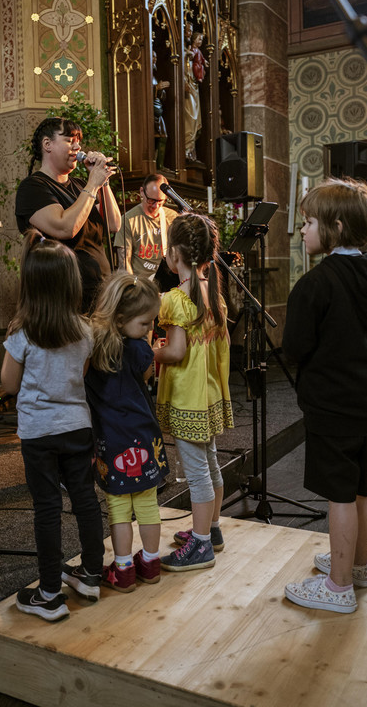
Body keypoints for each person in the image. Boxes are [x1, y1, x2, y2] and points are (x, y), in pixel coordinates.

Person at [282, 177, 367, 614]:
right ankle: (357, 565)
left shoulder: (317, 283)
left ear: (337, 226)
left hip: (330, 403)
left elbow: (295, 346)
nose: (303, 230)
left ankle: (338, 586)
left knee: (340, 494)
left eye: (309, 222)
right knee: (365, 486)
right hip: (366, 397)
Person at [1, 230, 105, 622]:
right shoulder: (85, 330)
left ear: (31, 284)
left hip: (39, 433)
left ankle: (48, 594)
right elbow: (81, 375)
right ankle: (91, 574)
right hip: (77, 427)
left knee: (47, 508)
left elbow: (9, 385)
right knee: (85, 499)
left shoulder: (22, 332)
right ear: (72, 283)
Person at [153, 213, 234, 571]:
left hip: (187, 397)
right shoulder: (212, 292)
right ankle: (211, 530)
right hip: (209, 393)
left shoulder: (175, 298)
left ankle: (200, 546)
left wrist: (151, 352)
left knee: (197, 472)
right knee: (211, 462)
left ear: (174, 254)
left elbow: (175, 352)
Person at [85, 271, 169, 592]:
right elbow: (145, 376)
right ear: (120, 319)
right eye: (145, 323)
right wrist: (148, 346)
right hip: (144, 437)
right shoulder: (138, 349)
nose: (149, 329)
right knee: (147, 503)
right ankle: (150, 563)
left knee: (118, 507)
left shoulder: (92, 347)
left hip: (111, 441)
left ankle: (123, 570)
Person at [15, 116, 121, 314]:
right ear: (47, 144)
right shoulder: (33, 187)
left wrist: (103, 182)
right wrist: (93, 184)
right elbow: (65, 228)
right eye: (70, 140)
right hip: (64, 297)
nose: (77, 147)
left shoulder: (81, 185)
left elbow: (114, 224)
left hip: (100, 292)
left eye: (78, 141)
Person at [114, 173, 177, 280]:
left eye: (160, 201)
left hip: (167, 281)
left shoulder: (173, 217)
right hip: (140, 282)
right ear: (142, 192)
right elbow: (124, 263)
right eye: (151, 200)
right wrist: (133, 285)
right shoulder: (127, 220)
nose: (155, 206)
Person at [184, 29, 208, 162]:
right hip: (188, 87)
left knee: (196, 120)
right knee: (191, 117)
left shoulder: (196, 53)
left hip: (195, 86)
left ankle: (191, 149)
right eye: (187, 31)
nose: (200, 42)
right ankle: (186, 149)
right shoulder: (186, 51)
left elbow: (200, 61)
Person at [152, 49, 170, 169]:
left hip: (158, 113)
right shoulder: (145, 75)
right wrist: (156, 88)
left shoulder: (154, 77)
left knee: (163, 137)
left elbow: (161, 97)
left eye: (156, 57)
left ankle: (160, 166)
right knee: (153, 140)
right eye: (153, 56)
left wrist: (161, 90)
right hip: (150, 113)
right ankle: (154, 165)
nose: (155, 59)